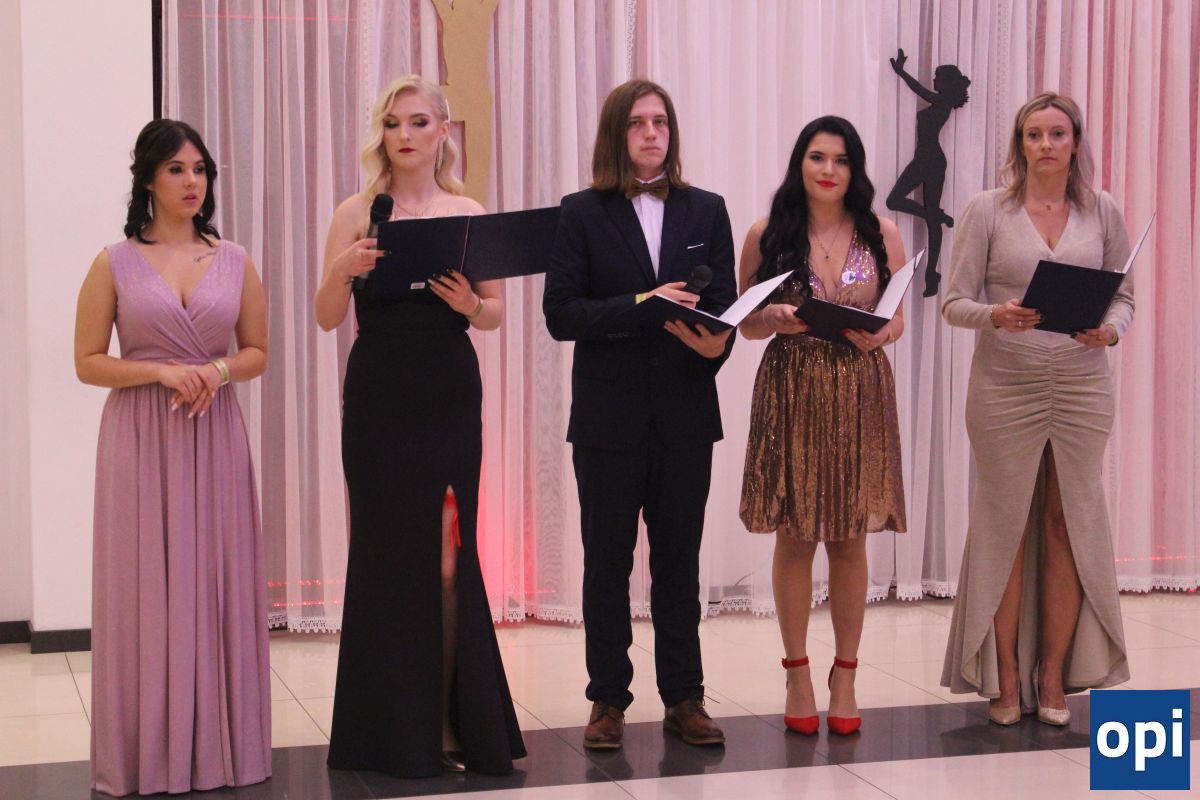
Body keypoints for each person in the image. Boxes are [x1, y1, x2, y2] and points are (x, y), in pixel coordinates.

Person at [315, 75, 524, 776]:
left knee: (447, 556)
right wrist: (342, 269)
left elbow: (495, 314)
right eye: (393, 123)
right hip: (378, 395)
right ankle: (393, 729)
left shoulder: (467, 212)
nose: (404, 135)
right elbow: (323, 315)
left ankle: (447, 717)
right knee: (386, 554)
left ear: (443, 132)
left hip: (447, 391)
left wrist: (470, 304)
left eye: (418, 122)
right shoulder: (357, 211)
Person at [74, 119, 271, 795]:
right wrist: (158, 372)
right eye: (178, 170)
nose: (193, 182)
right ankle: (146, 753)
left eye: (201, 170)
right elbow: (88, 362)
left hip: (214, 435)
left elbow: (257, 352)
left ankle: (219, 747)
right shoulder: (113, 262)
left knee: (216, 579)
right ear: (148, 181)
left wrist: (216, 370)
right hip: (139, 439)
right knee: (144, 589)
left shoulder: (235, 259)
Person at [543, 78, 737, 750]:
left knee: (679, 562)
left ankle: (685, 697)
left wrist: (717, 344)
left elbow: (726, 309)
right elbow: (561, 314)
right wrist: (641, 305)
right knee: (607, 564)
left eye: (661, 122)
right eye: (638, 123)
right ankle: (607, 699)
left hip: (685, 415)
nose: (652, 133)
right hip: (608, 419)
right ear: (616, 135)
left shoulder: (707, 210)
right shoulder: (580, 212)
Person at [940, 92, 1133, 726]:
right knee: (1007, 525)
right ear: (1019, 145)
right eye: (1033, 134)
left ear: (1075, 143)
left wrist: (1111, 331)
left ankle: (1053, 674)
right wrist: (996, 315)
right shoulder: (987, 211)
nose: (1045, 145)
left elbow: (1124, 297)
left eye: (1057, 134)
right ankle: (1003, 675)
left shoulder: (1102, 211)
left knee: (1065, 521)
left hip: (1081, 386)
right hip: (1006, 386)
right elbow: (954, 303)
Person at [738, 116, 908, 737]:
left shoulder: (882, 231)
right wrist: (772, 318)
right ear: (800, 163)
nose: (829, 170)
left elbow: (897, 319)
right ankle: (797, 673)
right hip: (792, 386)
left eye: (840, 159)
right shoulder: (767, 233)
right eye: (817, 157)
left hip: (860, 387)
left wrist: (882, 334)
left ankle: (846, 675)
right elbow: (743, 322)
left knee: (850, 538)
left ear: (854, 168)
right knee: (794, 536)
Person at [885, 48, 971, 296]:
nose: (933, 80)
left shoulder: (943, 102)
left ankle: (932, 273)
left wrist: (902, 72)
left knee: (917, 211)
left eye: (937, 77)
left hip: (931, 160)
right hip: (923, 158)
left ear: (945, 83)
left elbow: (919, 90)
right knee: (895, 201)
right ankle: (937, 216)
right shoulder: (942, 102)